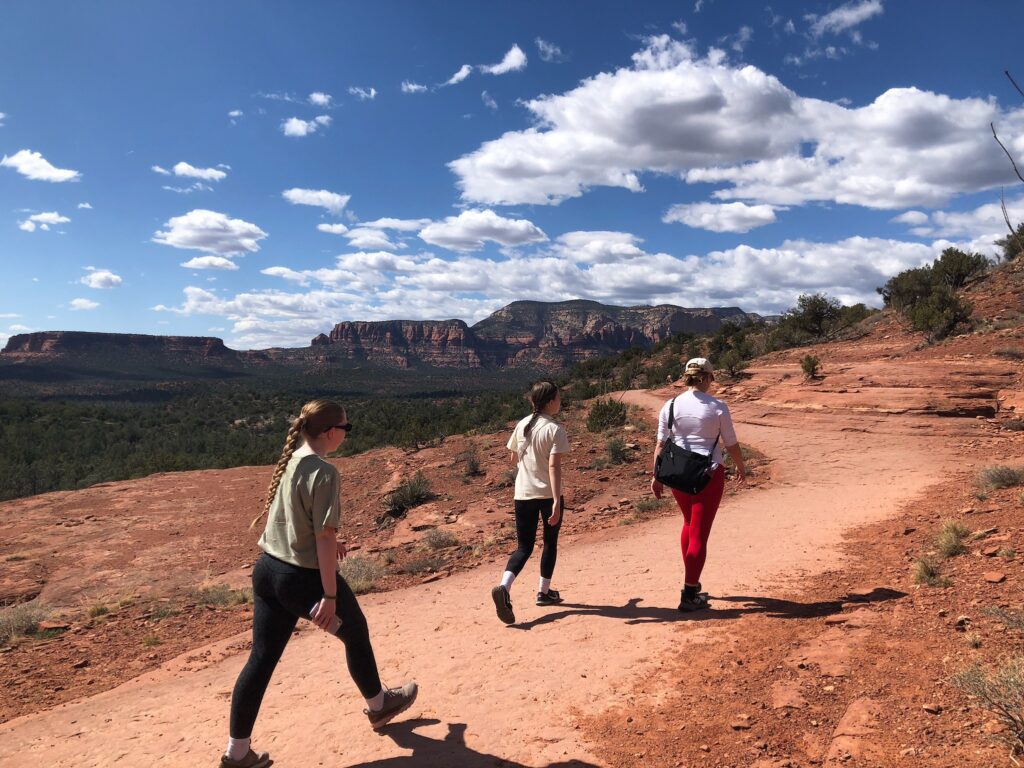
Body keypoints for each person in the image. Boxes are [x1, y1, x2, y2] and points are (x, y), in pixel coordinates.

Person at [221, 399, 417, 768]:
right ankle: (379, 705)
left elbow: (296, 521)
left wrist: (326, 543)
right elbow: (324, 536)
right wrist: (329, 595)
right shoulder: (325, 472)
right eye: (346, 428)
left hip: (268, 571)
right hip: (302, 580)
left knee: (261, 659)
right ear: (329, 432)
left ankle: (237, 754)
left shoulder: (292, 459)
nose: (347, 433)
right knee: (355, 632)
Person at [650, 358, 746, 612]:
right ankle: (690, 593)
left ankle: (691, 580)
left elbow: (661, 444)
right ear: (706, 377)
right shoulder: (717, 407)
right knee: (699, 533)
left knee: (689, 523)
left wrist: (656, 476)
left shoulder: (670, 405)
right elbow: (731, 443)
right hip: (708, 473)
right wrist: (741, 466)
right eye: (712, 378)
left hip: (678, 473)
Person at [491, 381, 570, 625]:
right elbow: (554, 466)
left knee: (523, 547)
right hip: (547, 495)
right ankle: (543, 593)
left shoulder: (522, 424)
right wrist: (556, 501)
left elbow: (513, 458)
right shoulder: (555, 429)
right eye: (558, 398)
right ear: (550, 402)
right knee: (550, 543)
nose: (560, 401)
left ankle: (504, 587)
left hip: (523, 494)